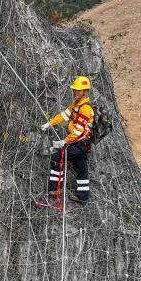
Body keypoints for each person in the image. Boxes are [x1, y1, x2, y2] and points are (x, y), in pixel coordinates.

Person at [41, 76, 96, 205]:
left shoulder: (85, 108)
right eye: (75, 90)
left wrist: (64, 142)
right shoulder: (76, 104)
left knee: (56, 157)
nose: (75, 92)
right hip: (79, 144)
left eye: (79, 90)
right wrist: (50, 123)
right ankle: (83, 197)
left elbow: (78, 131)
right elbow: (64, 116)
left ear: (85, 92)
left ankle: (54, 190)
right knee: (81, 168)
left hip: (79, 144)